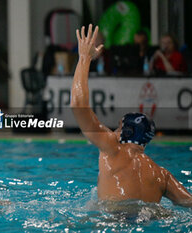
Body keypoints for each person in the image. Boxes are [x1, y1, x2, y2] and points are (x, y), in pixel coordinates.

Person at [71, 24, 192, 207]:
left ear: (123, 132)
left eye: (118, 127)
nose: (113, 130)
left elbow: (78, 105)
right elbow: (188, 201)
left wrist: (84, 58)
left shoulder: (112, 148)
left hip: (113, 220)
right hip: (150, 219)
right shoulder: (162, 175)